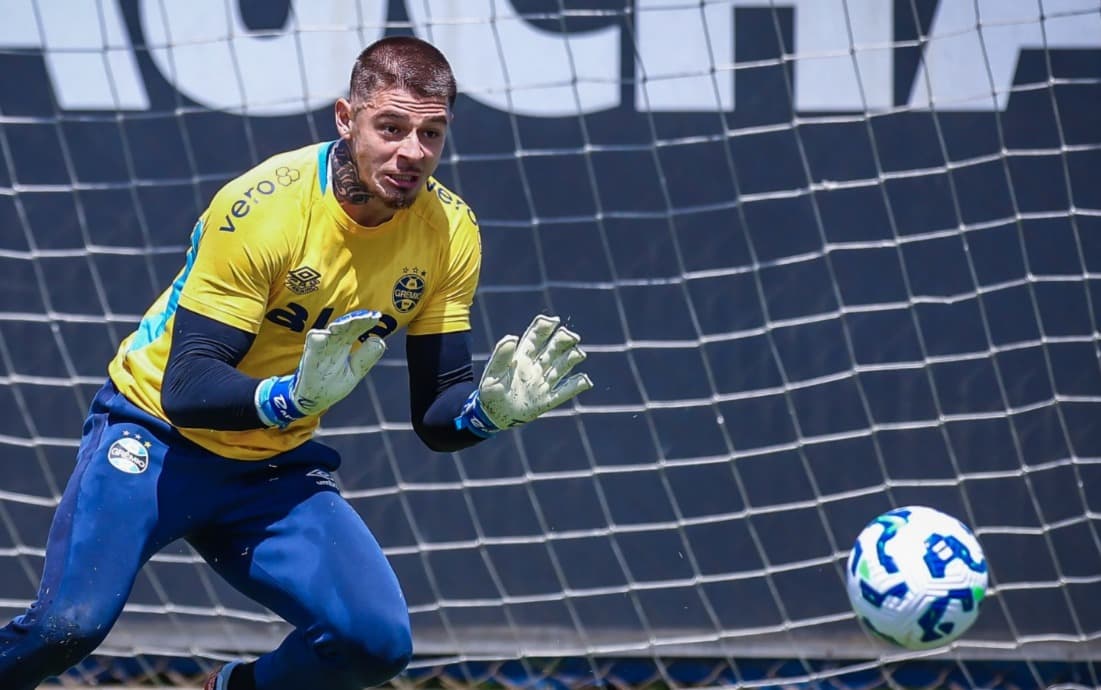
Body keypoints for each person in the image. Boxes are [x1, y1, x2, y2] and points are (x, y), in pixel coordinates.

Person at [0, 36, 592, 690]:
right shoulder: (265, 207)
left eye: (431, 133)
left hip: (270, 466)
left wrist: (487, 412)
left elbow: (435, 414)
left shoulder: (450, 232)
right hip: (154, 438)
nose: (412, 153)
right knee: (69, 625)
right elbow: (188, 386)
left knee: (371, 642)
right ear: (346, 118)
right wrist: (289, 397)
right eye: (390, 127)